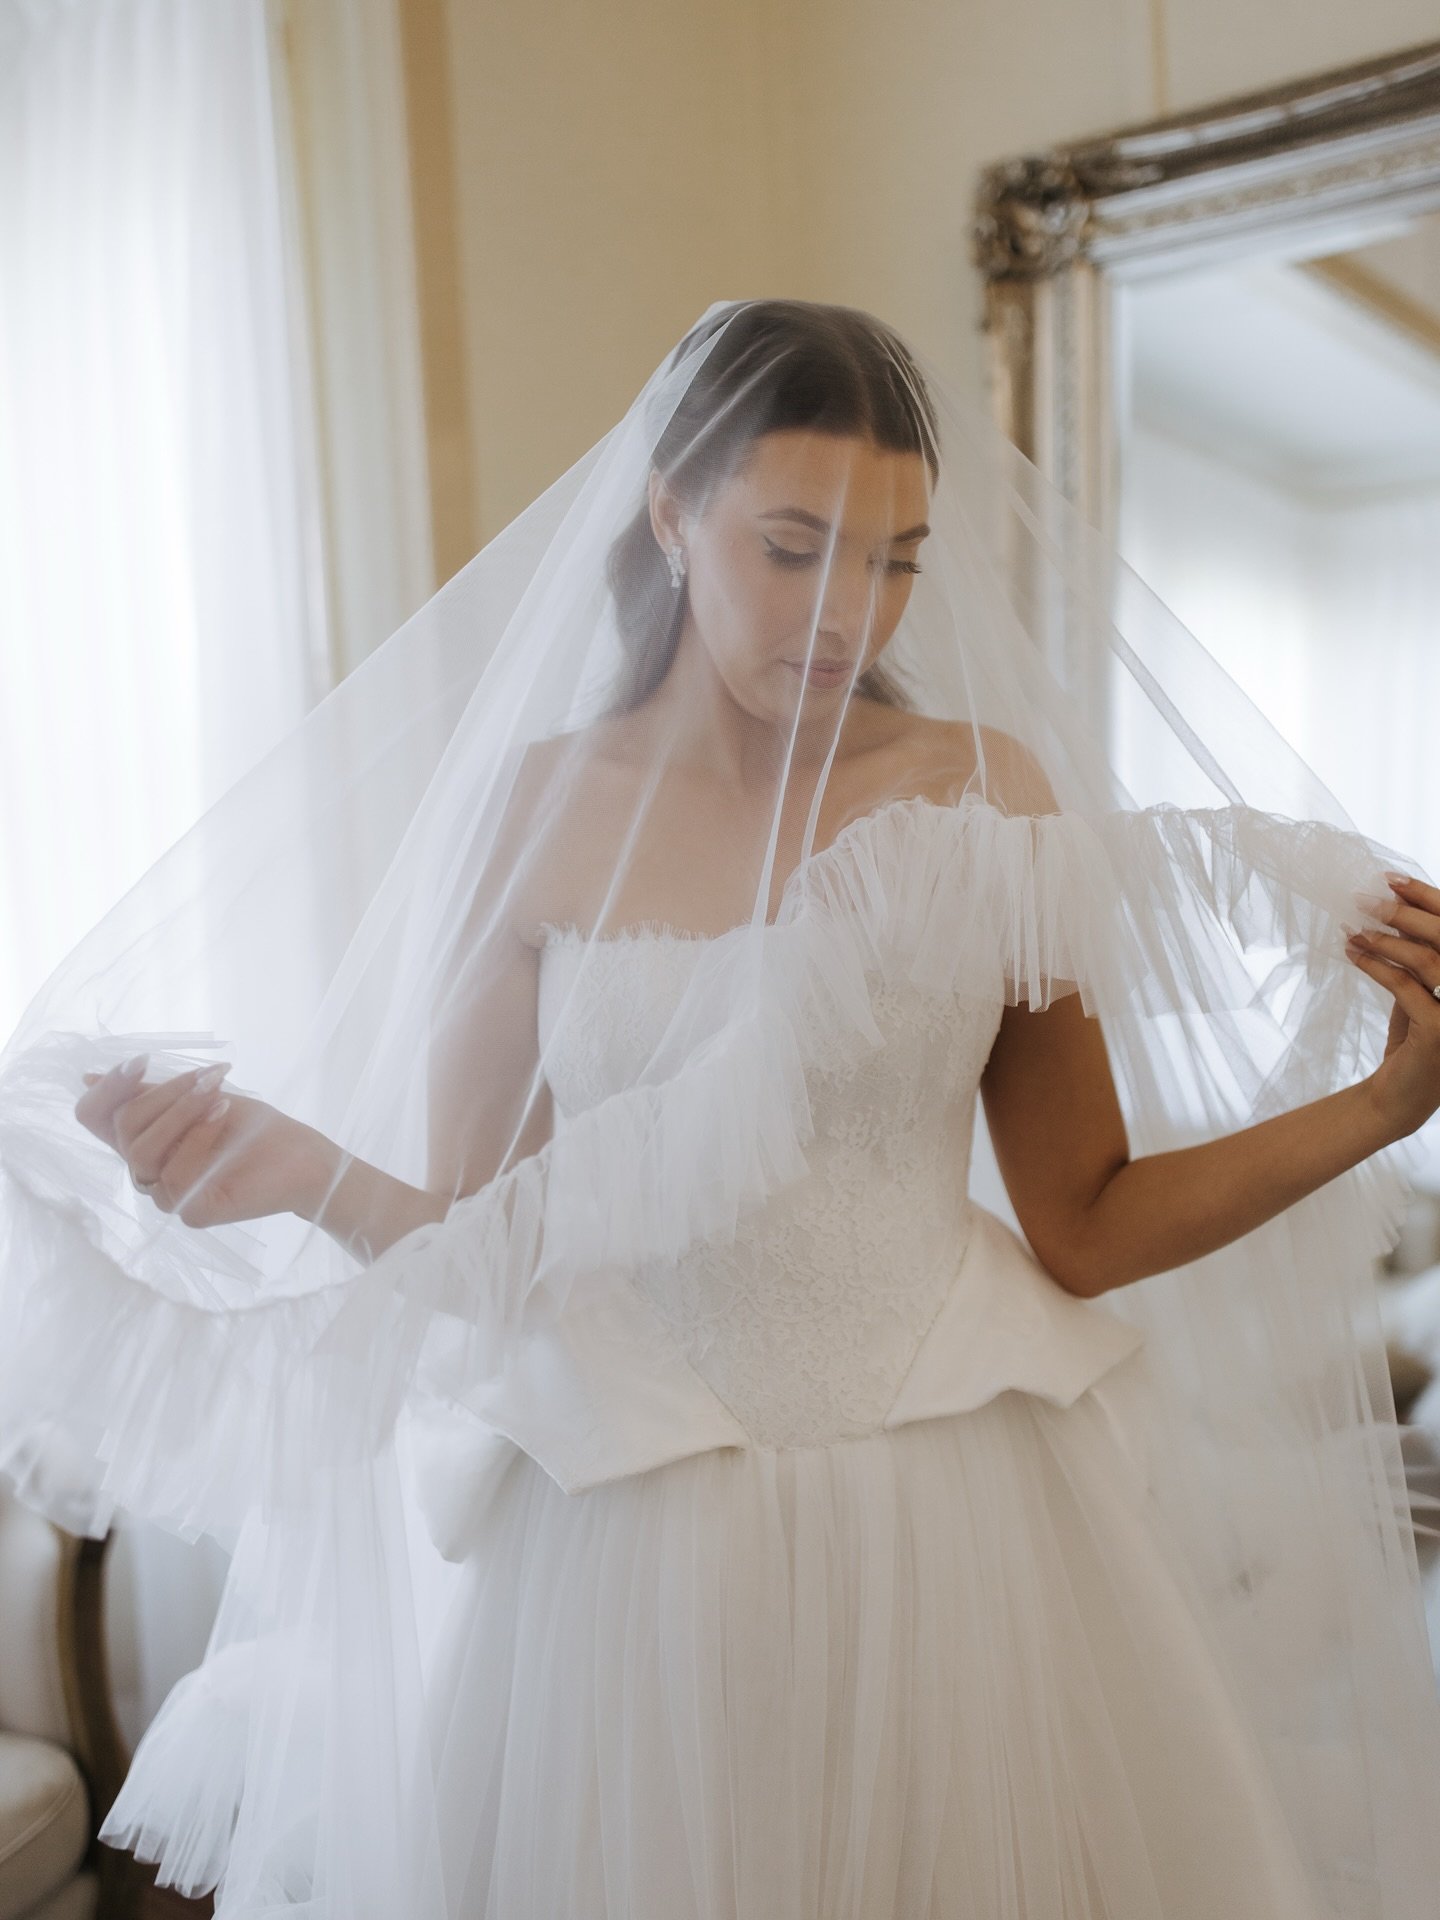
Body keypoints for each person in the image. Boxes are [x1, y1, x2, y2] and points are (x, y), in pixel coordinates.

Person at [3, 297, 1440, 1917]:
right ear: (670, 513)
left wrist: (1387, 1106)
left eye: (894, 559)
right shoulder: (537, 813)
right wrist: (301, 1170)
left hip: (959, 1529)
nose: (847, 612)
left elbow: (1087, 1222)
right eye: (793, 547)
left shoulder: (983, 792)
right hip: (637, 1556)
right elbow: (493, 1251)